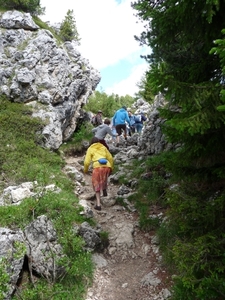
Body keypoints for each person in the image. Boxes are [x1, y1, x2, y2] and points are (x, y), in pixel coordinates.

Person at [83, 137, 114, 211]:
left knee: (96, 184)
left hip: (97, 167)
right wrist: (111, 168)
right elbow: (110, 158)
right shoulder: (103, 147)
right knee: (104, 178)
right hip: (107, 166)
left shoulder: (90, 148)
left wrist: (85, 170)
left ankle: (98, 205)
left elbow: (86, 162)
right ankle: (104, 190)